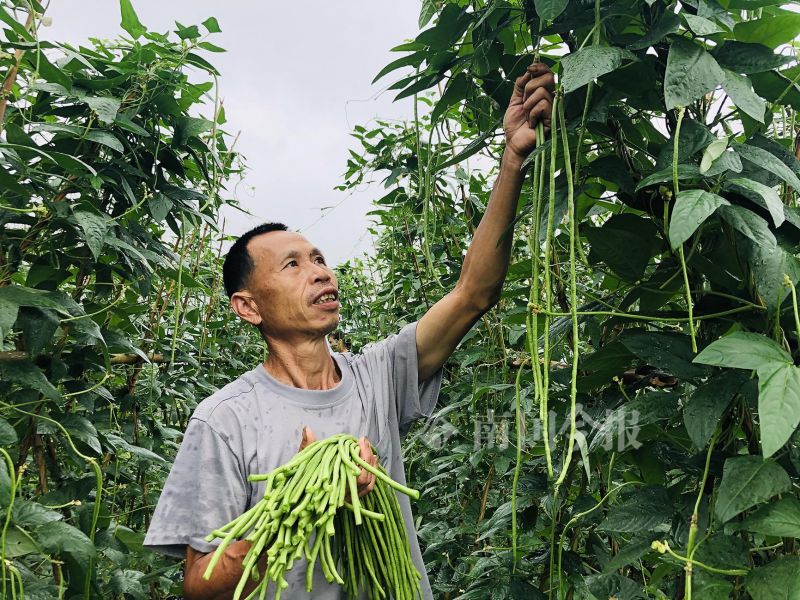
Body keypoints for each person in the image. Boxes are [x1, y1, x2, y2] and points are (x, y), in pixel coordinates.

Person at [143, 60, 555, 599]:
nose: (320, 270)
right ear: (247, 307)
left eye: (319, 258)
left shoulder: (378, 376)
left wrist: (512, 160)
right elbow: (200, 584)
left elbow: (473, 295)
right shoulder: (225, 420)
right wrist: (297, 502)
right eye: (292, 265)